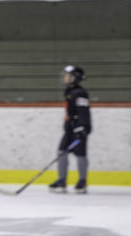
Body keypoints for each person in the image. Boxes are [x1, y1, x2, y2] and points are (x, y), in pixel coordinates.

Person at [48, 65, 92, 194]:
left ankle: (82, 182)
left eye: (68, 76)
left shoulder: (80, 93)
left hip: (79, 128)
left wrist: (82, 128)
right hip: (69, 129)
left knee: (80, 155)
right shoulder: (69, 91)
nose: (65, 78)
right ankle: (62, 180)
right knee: (61, 152)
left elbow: (83, 112)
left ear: (75, 78)